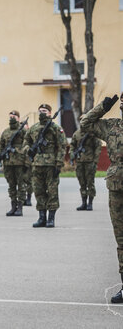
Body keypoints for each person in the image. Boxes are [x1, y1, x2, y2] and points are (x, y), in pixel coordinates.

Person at [80, 94, 123, 303]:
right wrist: (103, 107)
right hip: (117, 186)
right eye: (122, 103)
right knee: (122, 239)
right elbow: (85, 123)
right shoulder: (112, 126)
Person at [24, 104, 67, 228]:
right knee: (39, 190)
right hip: (37, 164)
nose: (42, 113)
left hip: (51, 164)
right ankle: (41, 217)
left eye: (44, 111)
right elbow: (26, 141)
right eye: (40, 111)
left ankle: (51, 218)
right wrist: (28, 150)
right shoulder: (33, 128)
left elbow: (62, 146)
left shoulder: (55, 128)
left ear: (49, 113)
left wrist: (59, 163)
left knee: (52, 191)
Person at [0, 110, 27, 216]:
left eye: (14, 116)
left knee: (21, 185)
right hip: (8, 162)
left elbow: (27, 146)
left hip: (19, 162)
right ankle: (13, 206)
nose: (12, 118)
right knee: (11, 185)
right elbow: (1, 146)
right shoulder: (5, 132)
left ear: (19, 118)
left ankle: (20, 207)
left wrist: (26, 162)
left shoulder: (23, 131)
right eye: (10, 116)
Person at [69, 127, 102, 211]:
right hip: (79, 162)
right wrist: (72, 153)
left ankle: (90, 203)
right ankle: (84, 203)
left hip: (89, 162)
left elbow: (98, 146)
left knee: (90, 183)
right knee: (82, 183)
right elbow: (72, 145)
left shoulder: (92, 134)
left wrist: (95, 161)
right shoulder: (76, 134)